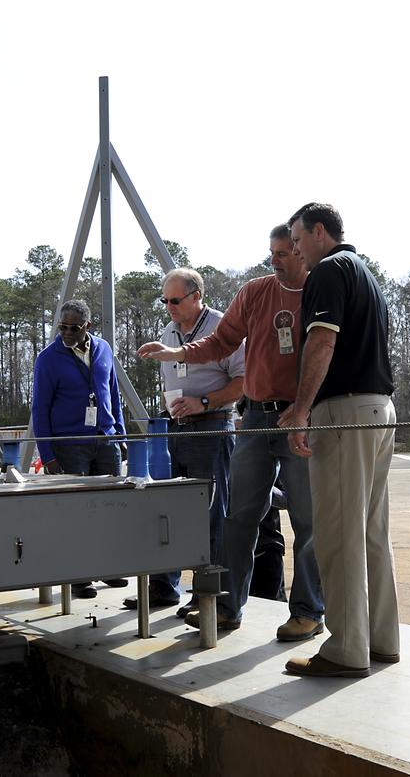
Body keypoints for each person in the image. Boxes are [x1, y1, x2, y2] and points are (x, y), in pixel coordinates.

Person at [139, 224, 326, 643]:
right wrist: (175, 353)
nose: (276, 259)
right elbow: (221, 341)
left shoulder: (321, 290)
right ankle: (227, 606)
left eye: (284, 251)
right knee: (238, 517)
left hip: (300, 418)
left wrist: (305, 409)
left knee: (307, 520)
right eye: (272, 251)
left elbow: (328, 352)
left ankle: (309, 611)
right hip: (255, 420)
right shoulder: (255, 292)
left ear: (301, 250)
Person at [278, 201, 398, 678]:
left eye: (298, 238)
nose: (295, 249)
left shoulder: (328, 270)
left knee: (338, 534)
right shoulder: (365, 273)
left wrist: (302, 409)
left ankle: (348, 648)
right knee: (370, 533)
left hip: (345, 412)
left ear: (320, 232)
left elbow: (322, 341)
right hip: (377, 409)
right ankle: (381, 640)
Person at [123, 268, 244, 610]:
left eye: (175, 300)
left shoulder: (224, 328)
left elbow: (245, 381)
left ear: (196, 296)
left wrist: (203, 401)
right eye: (165, 300)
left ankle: (209, 593)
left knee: (211, 515)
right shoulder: (168, 333)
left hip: (212, 430)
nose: (169, 307)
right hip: (176, 432)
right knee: (169, 510)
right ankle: (164, 585)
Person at [31, 299, 129, 598]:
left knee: (110, 510)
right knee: (77, 513)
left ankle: (108, 568)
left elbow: (112, 392)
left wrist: (120, 435)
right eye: (63, 327)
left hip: (105, 440)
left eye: (74, 328)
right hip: (69, 444)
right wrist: (47, 455)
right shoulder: (48, 359)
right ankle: (79, 576)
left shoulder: (104, 349)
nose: (67, 333)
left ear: (88, 326)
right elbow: (40, 408)